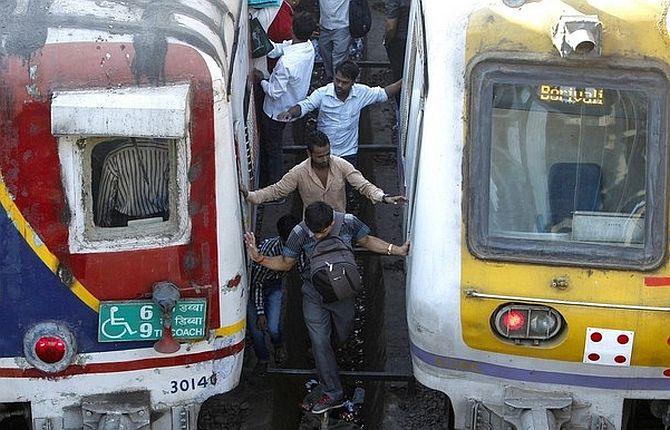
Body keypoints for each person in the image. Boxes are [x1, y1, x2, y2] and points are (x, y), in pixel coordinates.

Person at [244, 201, 410, 413]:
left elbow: (366, 240)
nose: (317, 237)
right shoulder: (299, 232)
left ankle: (331, 359)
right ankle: (333, 391)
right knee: (319, 341)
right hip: (313, 294)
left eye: (321, 233)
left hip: (342, 292)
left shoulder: (348, 222)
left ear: (332, 222)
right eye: (314, 233)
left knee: (342, 334)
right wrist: (260, 258)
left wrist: (396, 250)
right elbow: (287, 262)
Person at [239, 130, 406, 212]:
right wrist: (251, 196)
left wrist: (384, 198)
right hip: (312, 230)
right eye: (320, 156)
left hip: (339, 225)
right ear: (309, 154)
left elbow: (363, 185)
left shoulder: (341, 165)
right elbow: (276, 191)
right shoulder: (298, 172)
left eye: (327, 154)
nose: (325, 159)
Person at [278, 60, 402, 166]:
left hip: (348, 154)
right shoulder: (322, 93)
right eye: (337, 80)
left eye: (344, 82)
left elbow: (384, 93)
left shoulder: (362, 93)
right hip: (324, 153)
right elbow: (305, 105)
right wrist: (290, 113)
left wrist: (405, 80)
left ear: (353, 82)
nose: (339, 85)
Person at [253, 12, 317, 186]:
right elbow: (278, 49)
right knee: (274, 146)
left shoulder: (286, 63)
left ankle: (276, 187)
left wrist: (262, 79)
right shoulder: (308, 47)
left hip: (275, 110)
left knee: (273, 149)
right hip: (293, 102)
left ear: (292, 29)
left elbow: (274, 92)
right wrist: (262, 40)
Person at [247, 214, 301, 370]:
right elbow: (256, 282)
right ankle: (263, 359)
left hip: (275, 284)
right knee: (257, 331)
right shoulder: (268, 250)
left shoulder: (300, 244)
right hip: (258, 286)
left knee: (273, 327)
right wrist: (260, 311)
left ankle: (278, 345)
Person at [95, 138, 169, 227]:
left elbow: (105, 202)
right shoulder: (167, 152)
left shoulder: (114, 156)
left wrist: (103, 229)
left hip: (125, 223)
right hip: (163, 221)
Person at [318, 0, 351, 80]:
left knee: (339, 58)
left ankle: (339, 80)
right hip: (325, 26)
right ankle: (331, 78)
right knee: (326, 54)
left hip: (342, 26)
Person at [384, 0, 410, 82]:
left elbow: (391, 27)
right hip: (412, 36)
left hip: (399, 40)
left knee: (399, 74)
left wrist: (386, 41)